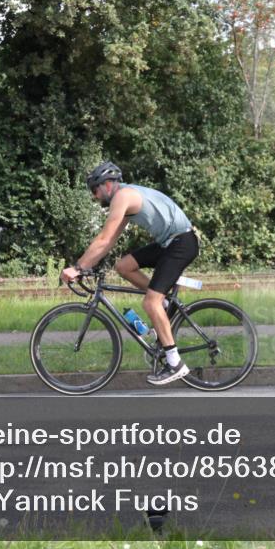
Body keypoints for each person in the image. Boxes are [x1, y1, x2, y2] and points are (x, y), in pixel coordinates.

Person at [60, 162, 199, 385]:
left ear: (106, 185)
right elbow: (109, 241)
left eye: (94, 191)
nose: (94, 197)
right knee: (124, 266)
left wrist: (77, 268)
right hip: (171, 242)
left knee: (149, 303)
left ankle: (175, 363)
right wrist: (89, 264)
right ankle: (163, 306)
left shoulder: (122, 197)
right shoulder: (125, 197)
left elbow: (104, 239)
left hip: (180, 243)